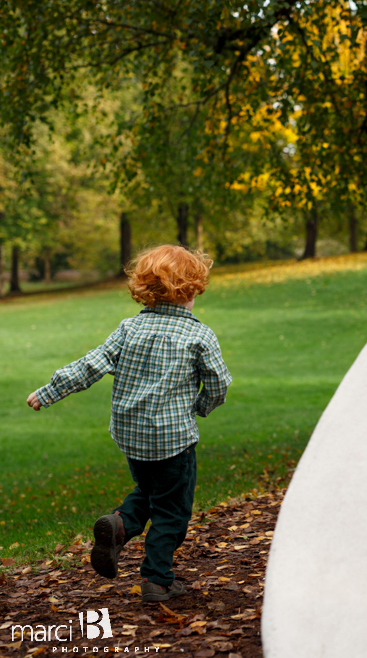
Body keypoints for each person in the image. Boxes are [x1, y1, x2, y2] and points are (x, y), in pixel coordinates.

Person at [26, 245, 232, 603]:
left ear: (144, 288)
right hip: (173, 441)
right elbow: (218, 385)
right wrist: (199, 407)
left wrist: (49, 391)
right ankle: (157, 579)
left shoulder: (129, 328)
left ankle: (120, 526)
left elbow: (91, 365)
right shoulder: (200, 336)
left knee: (151, 491)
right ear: (192, 289)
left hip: (132, 439)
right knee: (172, 509)